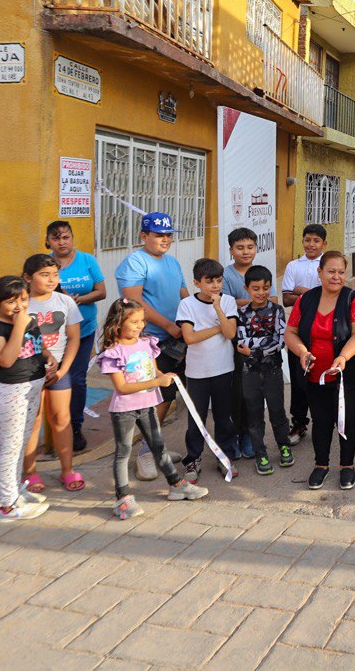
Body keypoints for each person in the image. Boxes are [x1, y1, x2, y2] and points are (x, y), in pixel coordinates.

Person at [96, 299, 207, 519]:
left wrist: (164, 376)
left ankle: (176, 485)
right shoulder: (113, 352)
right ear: (118, 323)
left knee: (158, 446)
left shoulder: (146, 343)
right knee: (123, 452)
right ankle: (123, 498)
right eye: (134, 322)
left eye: (142, 321)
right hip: (124, 411)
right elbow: (122, 387)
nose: (139, 326)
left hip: (148, 405)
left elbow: (153, 370)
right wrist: (156, 383)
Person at [286, 252, 355, 491]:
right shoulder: (305, 300)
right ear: (320, 273)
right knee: (321, 419)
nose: (336, 277)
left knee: (346, 418)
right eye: (331, 271)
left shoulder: (354, 299)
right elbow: (291, 332)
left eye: (341, 272)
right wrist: (303, 353)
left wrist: (343, 357)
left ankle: (347, 465)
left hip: (348, 373)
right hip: (314, 373)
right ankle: (321, 464)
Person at [116, 212, 189, 480]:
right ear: (143, 236)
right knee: (150, 399)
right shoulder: (134, 263)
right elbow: (134, 303)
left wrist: (191, 319)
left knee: (166, 397)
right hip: (148, 342)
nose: (165, 239)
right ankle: (144, 454)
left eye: (169, 235)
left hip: (175, 340)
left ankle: (156, 449)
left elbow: (184, 295)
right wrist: (169, 325)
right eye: (159, 235)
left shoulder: (172, 262)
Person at [0, 277, 53, 523]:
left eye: (23, 299)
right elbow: (6, 359)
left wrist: (50, 359)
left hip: (32, 387)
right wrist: (20, 326)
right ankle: (7, 507)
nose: (19, 306)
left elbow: (37, 348)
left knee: (21, 443)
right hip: (9, 393)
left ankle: (13, 491)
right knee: (10, 448)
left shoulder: (28, 321)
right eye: (11, 301)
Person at [20, 254, 83, 493]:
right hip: (27, 372)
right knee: (32, 421)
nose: (51, 280)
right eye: (44, 275)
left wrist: (63, 369)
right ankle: (30, 472)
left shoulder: (65, 302)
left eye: (55, 275)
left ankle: (67, 470)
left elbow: (74, 338)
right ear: (27, 277)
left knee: (61, 418)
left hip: (58, 372)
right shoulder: (22, 303)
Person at [176, 258, 239, 482]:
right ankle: (193, 458)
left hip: (223, 369)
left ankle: (226, 456)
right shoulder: (187, 305)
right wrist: (217, 328)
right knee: (196, 418)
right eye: (209, 281)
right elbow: (190, 338)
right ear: (196, 282)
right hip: (196, 372)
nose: (215, 286)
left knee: (223, 417)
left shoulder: (228, 302)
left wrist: (218, 308)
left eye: (219, 281)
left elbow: (230, 333)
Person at [45, 220, 105, 453]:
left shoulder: (87, 260)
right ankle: (54, 430)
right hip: (53, 335)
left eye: (66, 237)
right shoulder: (45, 264)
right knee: (57, 379)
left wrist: (79, 299)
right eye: (56, 238)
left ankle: (76, 426)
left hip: (84, 329)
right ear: (48, 241)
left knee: (77, 379)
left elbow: (101, 292)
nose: (62, 242)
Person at [235, 265, 292, 476]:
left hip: (273, 370)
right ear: (246, 289)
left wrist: (255, 349)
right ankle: (260, 452)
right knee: (254, 414)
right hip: (249, 372)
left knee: (277, 411)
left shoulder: (277, 310)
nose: (261, 293)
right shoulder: (241, 313)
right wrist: (262, 345)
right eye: (256, 288)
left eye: (266, 288)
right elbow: (241, 342)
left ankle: (284, 445)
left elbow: (281, 340)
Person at [282, 224, 328, 443]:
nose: (311, 244)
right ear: (302, 241)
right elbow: (286, 299)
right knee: (299, 381)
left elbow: (331, 295)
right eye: (307, 239)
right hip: (298, 331)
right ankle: (298, 423)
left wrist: (301, 291)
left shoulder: (329, 265)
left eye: (316, 241)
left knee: (322, 378)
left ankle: (325, 422)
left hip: (325, 331)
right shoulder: (293, 266)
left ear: (324, 244)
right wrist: (311, 294)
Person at [223, 227, 262, 460]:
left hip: (257, 339)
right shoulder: (226, 275)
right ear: (231, 250)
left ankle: (248, 434)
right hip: (234, 340)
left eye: (250, 247)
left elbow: (274, 300)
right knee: (234, 390)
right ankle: (234, 435)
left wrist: (246, 301)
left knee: (252, 391)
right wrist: (256, 299)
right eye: (240, 248)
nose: (245, 252)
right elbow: (227, 304)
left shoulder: (260, 272)